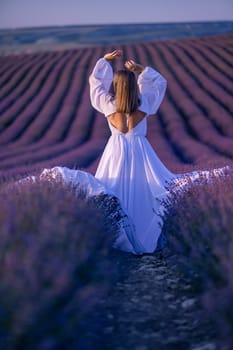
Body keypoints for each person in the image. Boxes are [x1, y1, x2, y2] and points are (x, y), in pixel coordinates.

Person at [89, 49, 177, 254]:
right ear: (133, 87)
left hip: (116, 152)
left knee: (114, 189)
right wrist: (141, 70)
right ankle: (146, 233)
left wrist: (104, 61)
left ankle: (114, 237)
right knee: (146, 191)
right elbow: (160, 83)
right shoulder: (144, 103)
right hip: (140, 151)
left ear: (116, 86)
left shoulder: (108, 104)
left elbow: (95, 83)